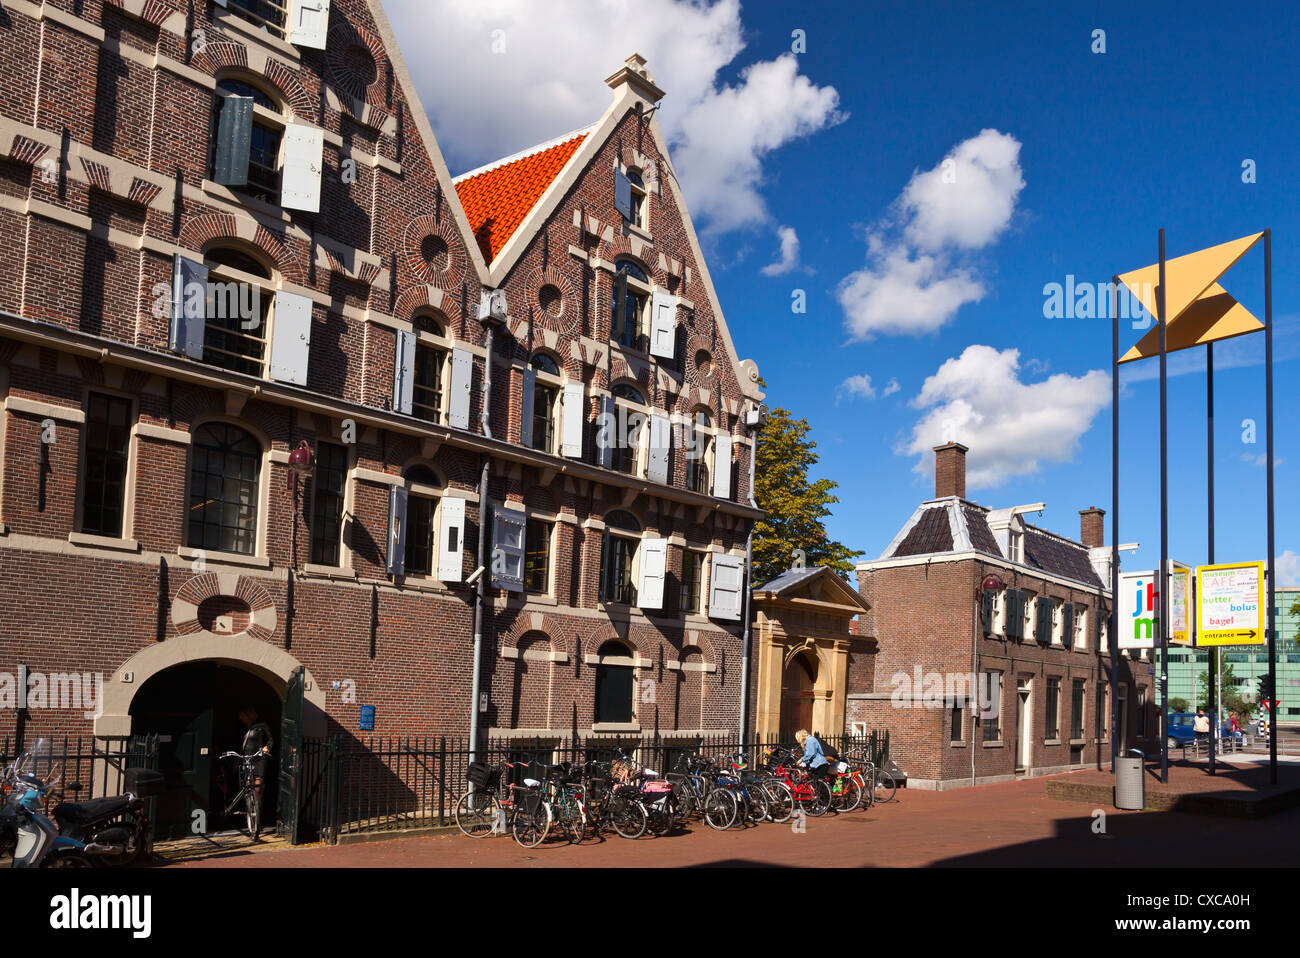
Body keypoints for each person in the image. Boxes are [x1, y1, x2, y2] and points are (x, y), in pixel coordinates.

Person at [238, 706, 273, 807]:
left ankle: (257, 806)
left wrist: (267, 747)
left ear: (249, 715)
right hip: (247, 758)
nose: (241, 717)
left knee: (258, 784)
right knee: (247, 783)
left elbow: (271, 739)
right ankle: (249, 808)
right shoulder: (243, 728)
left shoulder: (262, 726)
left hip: (259, 757)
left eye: (243, 715)